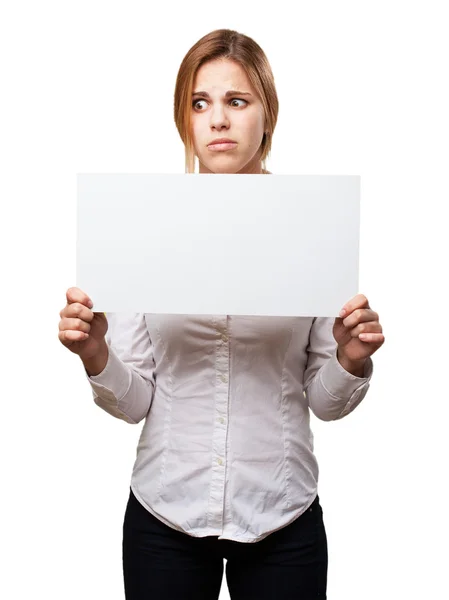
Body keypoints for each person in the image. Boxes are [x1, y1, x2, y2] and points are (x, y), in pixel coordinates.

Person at [58, 28, 385, 600]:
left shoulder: (314, 229)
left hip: (282, 511)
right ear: (184, 118)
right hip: (167, 511)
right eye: (199, 102)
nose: (218, 120)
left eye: (237, 101)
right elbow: (134, 403)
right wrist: (95, 353)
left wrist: (352, 361)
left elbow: (326, 405)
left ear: (267, 113)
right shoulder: (144, 232)